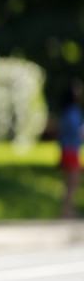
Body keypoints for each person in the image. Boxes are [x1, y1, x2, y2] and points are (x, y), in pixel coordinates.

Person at [57, 79, 83, 219]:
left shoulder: (67, 111)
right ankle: (66, 211)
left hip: (68, 150)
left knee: (70, 184)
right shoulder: (72, 112)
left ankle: (67, 210)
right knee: (72, 183)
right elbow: (75, 131)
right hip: (71, 151)